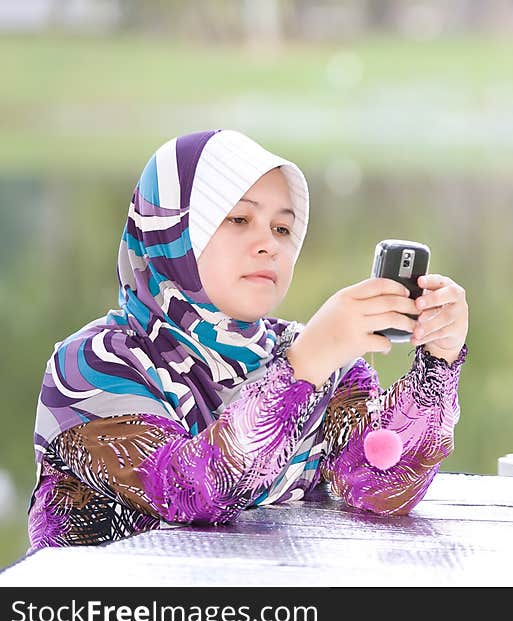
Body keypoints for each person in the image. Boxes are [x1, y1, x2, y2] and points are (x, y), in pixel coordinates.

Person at [27, 129, 468, 551]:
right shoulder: (94, 364)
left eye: (282, 228)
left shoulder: (313, 356)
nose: (270, 245)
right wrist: (304, 366)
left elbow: (378, 485)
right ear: (173, 230)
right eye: (239, 218)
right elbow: (190, 490)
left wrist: (439, 362)